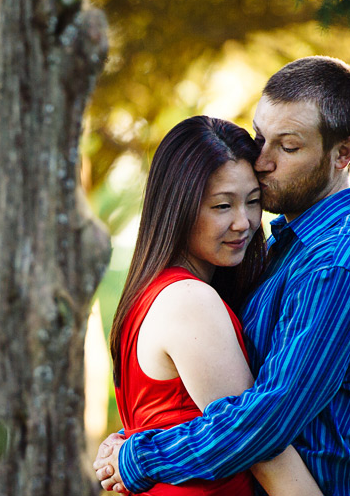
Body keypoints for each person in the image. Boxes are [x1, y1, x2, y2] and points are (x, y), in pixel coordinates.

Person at [95, 56, 350, 495]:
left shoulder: (336, 263)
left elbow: (268, 419)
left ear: (343, 153)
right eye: (261, 137)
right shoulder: (292, 247)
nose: (262, 160)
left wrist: (140, 455)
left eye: (288, 147)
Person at [106, 115, 323, 495]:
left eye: (253, 202)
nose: (244, 222)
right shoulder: (190, 301)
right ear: (179, 208)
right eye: (223, 206)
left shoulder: (154, 293)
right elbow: (263, 450)